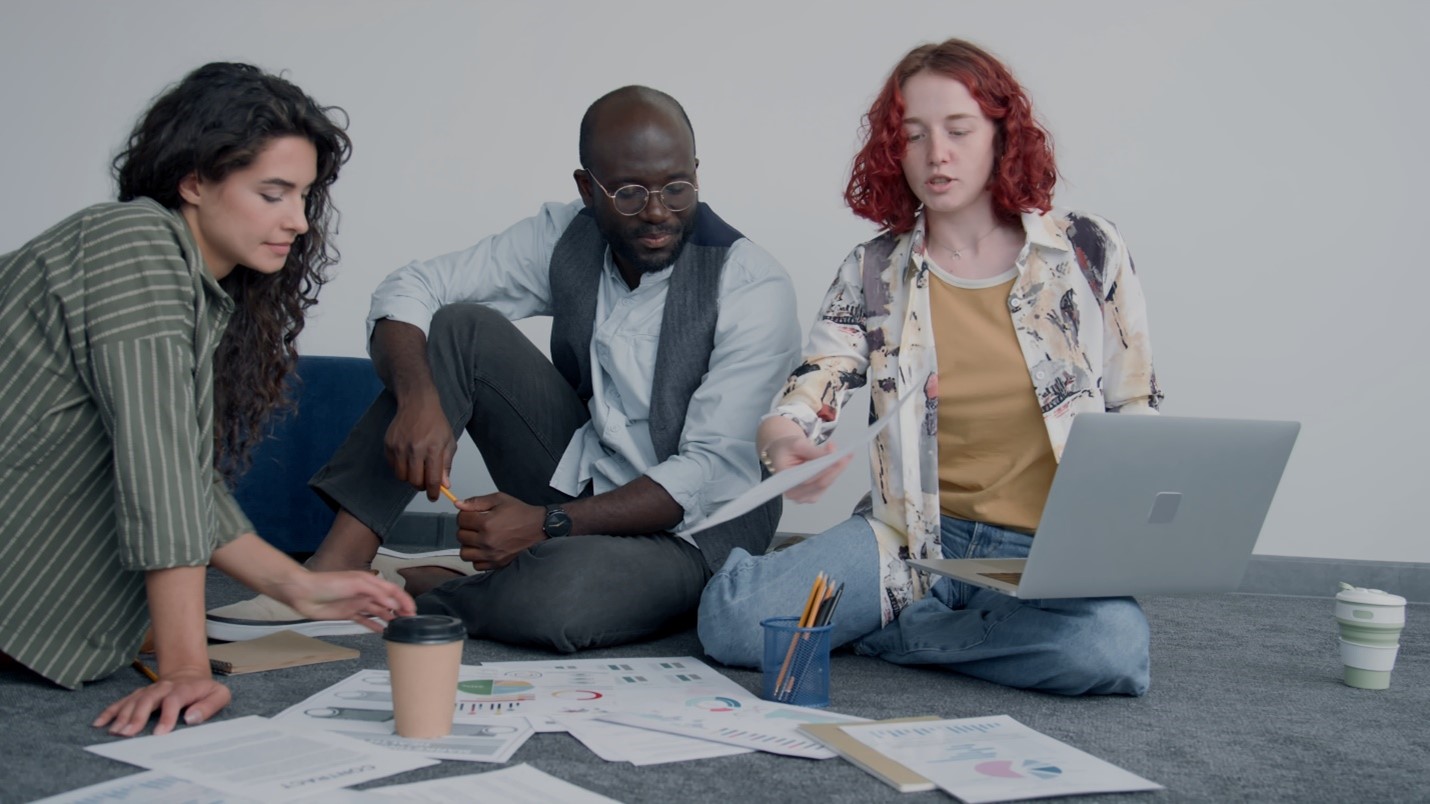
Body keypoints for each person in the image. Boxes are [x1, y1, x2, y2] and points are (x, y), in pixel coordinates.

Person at [206, 85, 802, 653]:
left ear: (697, 170)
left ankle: (419, 587)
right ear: (587, 189)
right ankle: (334, 573)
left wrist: (548, 525)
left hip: (695, 535)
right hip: (584, 478)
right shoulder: (566, 234)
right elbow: (413, 287)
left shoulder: (751, 284)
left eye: (677, 187)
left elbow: (709, 476)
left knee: (562, 598)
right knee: (460, 326)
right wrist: (419, 398)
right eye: (627, 194)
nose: (656, 212)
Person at [698, 39, 1163, 696]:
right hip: (908, 540)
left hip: (1043, 551)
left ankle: (903, 635)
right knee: (733, 625)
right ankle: (950, 619)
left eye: (958, 129)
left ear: (1003, 135)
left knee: (1109, 650)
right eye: (913, 136)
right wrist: (783, 444)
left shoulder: (1089, 249)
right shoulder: (872, 270)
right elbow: (810, 389)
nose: (935, 154)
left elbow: (1135, 405)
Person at [0, 63, 415, 737]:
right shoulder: (135, 244)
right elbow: (159, 473)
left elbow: (182, 477)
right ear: (194, 182)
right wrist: (186, 668)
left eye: (304, 196)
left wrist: (297, 586)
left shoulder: (194, 289)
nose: (299, 221)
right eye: (274, 193)